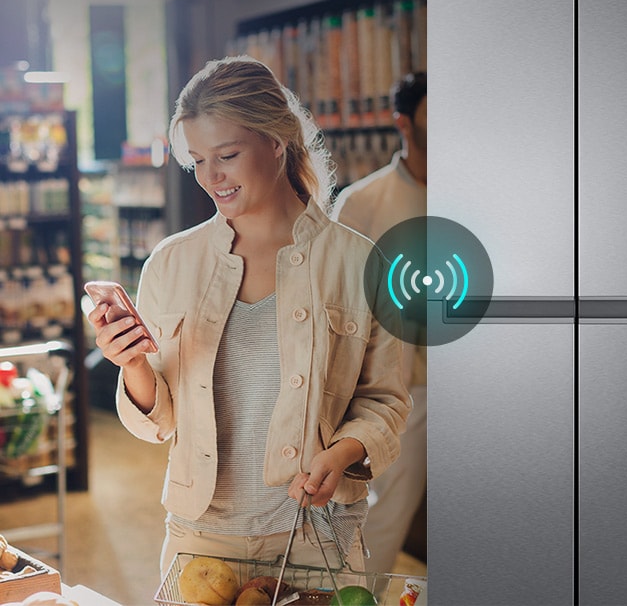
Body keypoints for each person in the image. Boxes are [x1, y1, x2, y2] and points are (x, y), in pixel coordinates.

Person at [87, 55, 411, 577]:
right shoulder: (171, 263)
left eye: (228, 155)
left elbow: (386, 402)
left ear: (276, 141)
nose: (211, 178)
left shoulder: (359, 262)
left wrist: (342, 452)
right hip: (199, 538)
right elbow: (160, 422)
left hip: (316, 539)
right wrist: (132, 365)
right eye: (197, 162)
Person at [331, 72, 427, 574]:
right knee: (385, 515)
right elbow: (337, 299)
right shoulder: (363, 203)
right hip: (403, 392)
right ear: (403, 123)